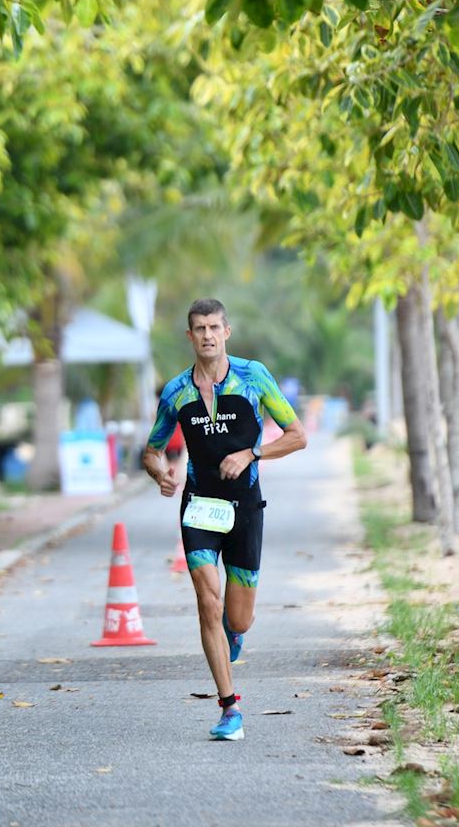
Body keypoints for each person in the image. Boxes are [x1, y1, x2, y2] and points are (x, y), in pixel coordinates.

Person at [142, 297, 307, 741]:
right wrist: (161, 473)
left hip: (246, 507)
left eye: (215, 327)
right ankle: (229, 707)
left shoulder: (253, 377)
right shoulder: (177, 391)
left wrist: (251, 452)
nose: (208, 335)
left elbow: (297, 436)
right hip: (199, 505)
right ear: (190, 335)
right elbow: (152, 448)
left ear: (226, 332)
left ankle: (233, 634)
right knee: (207, 602)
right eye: (199, 328)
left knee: (238, 618)